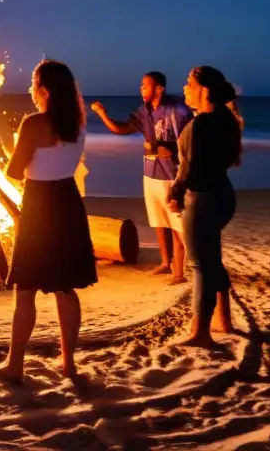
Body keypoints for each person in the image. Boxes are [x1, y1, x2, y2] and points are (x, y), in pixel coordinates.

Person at [0, 60, 97, 384]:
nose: (31, 91)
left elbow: (13, 170)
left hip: (39, 204)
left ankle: (14, 365)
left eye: (34, 85)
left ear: (45, 89)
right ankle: (68, 365)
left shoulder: (33, 123)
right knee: (65, 288)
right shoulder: (78, 124)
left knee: (26, 289)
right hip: (67, 201)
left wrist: (11, 145)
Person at [91, 72, 193, 283]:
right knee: (158, 220)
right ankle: (165, 263)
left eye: (146, 85)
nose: (141, 89)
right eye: (141, 85)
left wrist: (172, 150)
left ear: (159, 89)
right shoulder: (144, 111)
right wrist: (102, 114)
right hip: (150, 171)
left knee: (175, 222)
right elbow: (121, 129)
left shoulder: (178, 110)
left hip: (172, 173)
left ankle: (180, 271)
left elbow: (192, 139)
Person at [167, 66, 243, 348]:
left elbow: (188, 169)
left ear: (204, 90)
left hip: (202, 198)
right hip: (223, 194)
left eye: (188, 83)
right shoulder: (226, 120)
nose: (184, 88)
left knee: (200, 264)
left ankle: (200, 332)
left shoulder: (199, 125)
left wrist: (175, 193)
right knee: (211, 258)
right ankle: (223, 318)